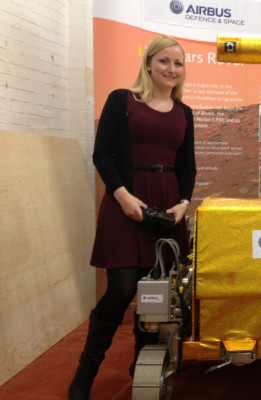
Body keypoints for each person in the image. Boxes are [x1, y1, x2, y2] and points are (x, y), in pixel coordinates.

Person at [68, 36, 196, 400]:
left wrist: (183, 205)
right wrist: (122, 195)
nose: (172, 69)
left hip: (166, 209)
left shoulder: (184, 112)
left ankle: (141, 365)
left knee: (155, 293)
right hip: (125, 204)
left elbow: (188, 168)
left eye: (179, 63)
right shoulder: (122, 100)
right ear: (149, 64)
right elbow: (102, 154)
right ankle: (85, 372)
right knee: (123, 289)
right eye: (165, 61)